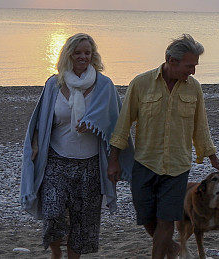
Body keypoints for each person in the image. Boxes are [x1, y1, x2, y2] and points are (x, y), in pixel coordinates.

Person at [108, 34, 219, 259]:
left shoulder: (194, 89)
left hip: (177, 168)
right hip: (145, 163)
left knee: (166, 220)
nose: (193, 71)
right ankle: (171, 248)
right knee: (145, 216)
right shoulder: (141, 84)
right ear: (172, 61)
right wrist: (113, 160)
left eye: (195, 66)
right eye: (189, 66)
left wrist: (212, 158)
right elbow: (123, 124)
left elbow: (200, 127)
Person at [20, 33, 134, 258]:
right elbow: (40, 122)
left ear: (93, 56)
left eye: (87, 53)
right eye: (78, 52)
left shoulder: (105, 85)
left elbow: (116, 124)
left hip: (91, 165)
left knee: (85, 222)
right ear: (68, 55)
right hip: (56, 161)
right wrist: (33, 145)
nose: (83, 57)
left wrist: (96, 127)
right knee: (53, 214)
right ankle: (56, 254)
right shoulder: (54, 83)